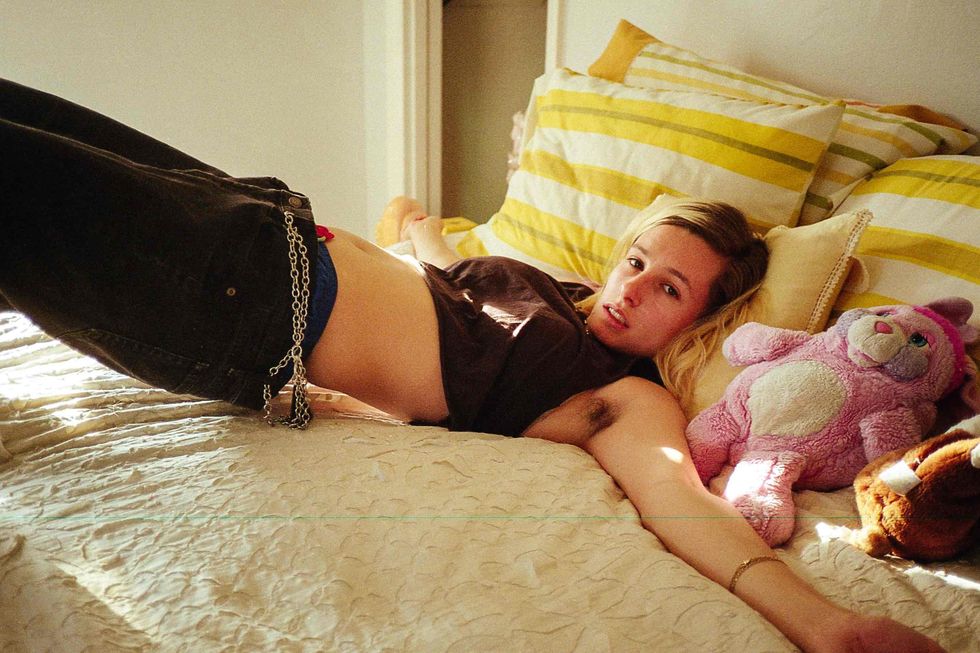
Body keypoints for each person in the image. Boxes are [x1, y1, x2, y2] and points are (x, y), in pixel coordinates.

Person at [0, 78, 945, 653]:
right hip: (260, 215)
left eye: (670, 290)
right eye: (638, 261)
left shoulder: (624, 394)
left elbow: (677, 498)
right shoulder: (551, 288)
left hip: (248, 296)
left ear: (703, 322)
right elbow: (446, 264)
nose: (631, 290)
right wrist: (418, 228)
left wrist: (826, 624)